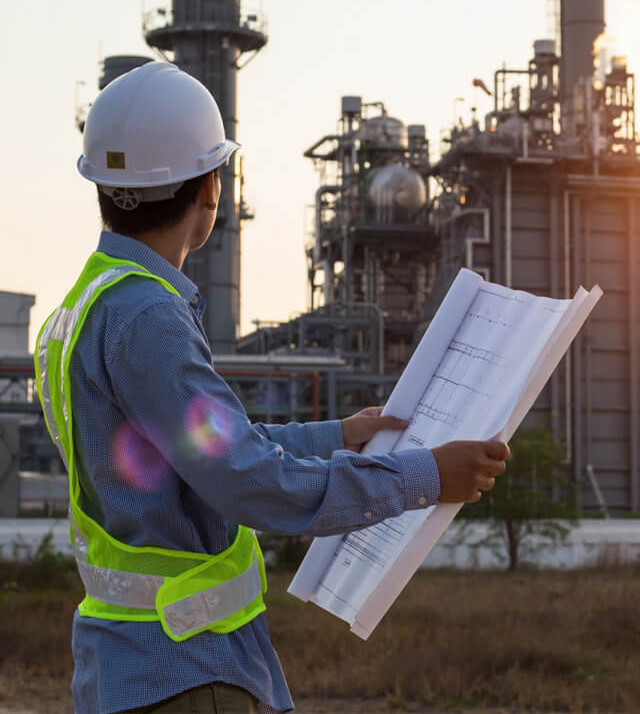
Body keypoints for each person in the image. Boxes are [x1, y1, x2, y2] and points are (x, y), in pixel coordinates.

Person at [35, 61, 510, 714]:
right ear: (211, 187)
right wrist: (425, 475)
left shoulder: (85, 307)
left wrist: (338, 435)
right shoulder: (147, 317)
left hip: (126, 661)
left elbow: (211, 449)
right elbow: (252, 482)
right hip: (186, 669)